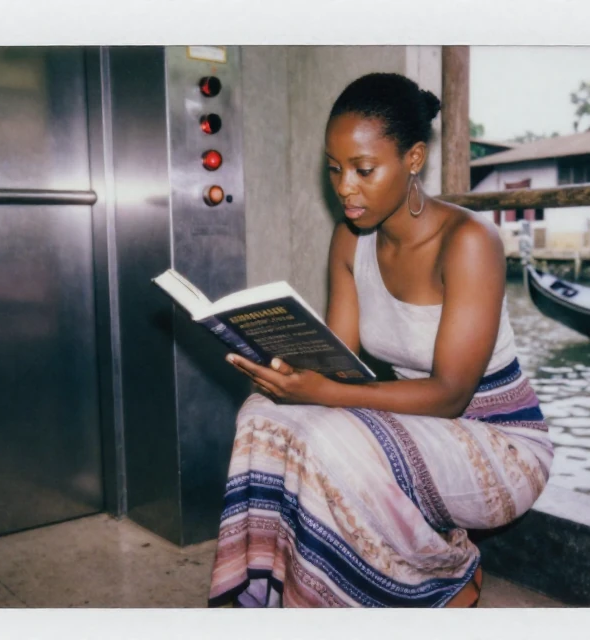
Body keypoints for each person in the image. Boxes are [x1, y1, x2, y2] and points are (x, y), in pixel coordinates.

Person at [207, 73, 553, 608]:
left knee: (330, 437)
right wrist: (282, 371)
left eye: (364, 170)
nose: (345, 186)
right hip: (419, 427)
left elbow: (449, 395)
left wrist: (321, 393)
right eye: (335, 168)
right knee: (263, 414)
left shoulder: (469, 242)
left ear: (414, 159)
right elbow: (338, 365)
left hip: (498, 442)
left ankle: (440, 576)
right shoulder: (350, 238)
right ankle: (274, 600)